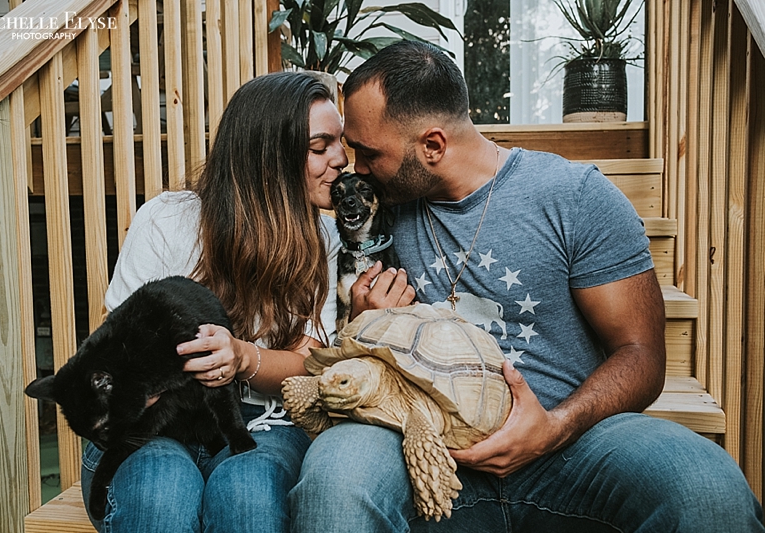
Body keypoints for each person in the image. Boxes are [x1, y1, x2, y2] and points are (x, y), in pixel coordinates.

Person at [289, 41, 765, 532]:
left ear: (432, 146)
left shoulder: (574, 196)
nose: (356, 170)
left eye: (368, 154)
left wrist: (555, 428)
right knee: (334, 480)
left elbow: (641, 355)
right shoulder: (382, 208)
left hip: (573, 446)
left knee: (710, 490)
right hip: (424, 441)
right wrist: (366, 323)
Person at [80, 71, 351, 533]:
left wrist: (244, 356)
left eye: (340, 142)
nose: (342, 159)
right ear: (269, 153)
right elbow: (110, 362)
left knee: (246, 494)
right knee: (160, 490)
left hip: (262, 422)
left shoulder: (323, 237)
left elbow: (311, 361)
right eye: (320, 146)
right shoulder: (168, 220)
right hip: (152, 424)